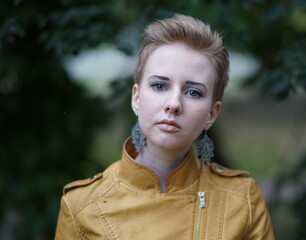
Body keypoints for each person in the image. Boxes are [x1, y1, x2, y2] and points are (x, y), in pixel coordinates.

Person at [55, 14, 275, 239]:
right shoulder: (81, 207)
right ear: (136, 98)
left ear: (211, 113)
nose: (174, 104)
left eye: (193, 92)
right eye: (160, 86)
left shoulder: (242, 198)